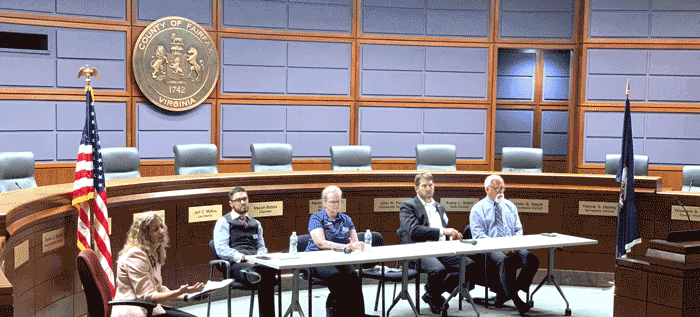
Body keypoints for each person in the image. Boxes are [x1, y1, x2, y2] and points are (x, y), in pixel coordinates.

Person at [399, 172, 472, 315]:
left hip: (441, 248)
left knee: (469, 266)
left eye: (430, 185)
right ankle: (435, 297)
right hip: (419, 249)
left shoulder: (439, 207)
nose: (428, 188)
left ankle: (433, 293)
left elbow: (443, 232)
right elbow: (414, 231)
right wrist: (444, 232)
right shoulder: (408, 206)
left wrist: (451, 238)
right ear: (416, 189)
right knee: (438, 269)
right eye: (424, 186)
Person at [470, 174, 540, 316]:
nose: (501, 191)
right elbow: (479, 236)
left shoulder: (510, 206)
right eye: (497, 188)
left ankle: (507, 293)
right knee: (505, 260)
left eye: (503, 188)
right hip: (490, 247)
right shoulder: (478, 209)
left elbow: (518, 229)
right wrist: (502, 248)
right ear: (487, 189)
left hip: (513, 244)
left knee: (532, 260)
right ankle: (516, 300)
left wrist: (514, 244)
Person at [113, 212, 205, 317]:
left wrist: (187, 296)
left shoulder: (153, 252)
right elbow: (148, 296)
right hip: (134, 311)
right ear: (145, 234)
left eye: (161, 227)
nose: (162, 231)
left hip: (149, 308)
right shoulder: (135, 256)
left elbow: (158, 289)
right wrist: (180, 291)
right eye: (156, 229)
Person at [305, 185, 378, 317]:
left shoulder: (346, 219)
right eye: (332, 202)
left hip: (341, 259)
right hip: (317, 259)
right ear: (324, 202)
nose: (336, 205)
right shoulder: (316, 218)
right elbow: (321, 243)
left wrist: (358, 245)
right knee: (337, 278)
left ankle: (358, 314)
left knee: (354, 279)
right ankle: (343, 313)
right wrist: (344, 247)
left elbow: (354, 242)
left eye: (338, 201)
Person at [213, 186, 277, 317]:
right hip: (235, 263)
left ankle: (254, 276)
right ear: (231, 203)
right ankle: (252, 275)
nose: (242, 202)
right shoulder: (224, 222)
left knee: (268, 271)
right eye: (238, 200)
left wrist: (261, 254)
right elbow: (221, 249)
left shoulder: (256, 223)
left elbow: (261, 246)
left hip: (255, 262)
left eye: (245, 199)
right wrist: (243, 257)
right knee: (266, 275)